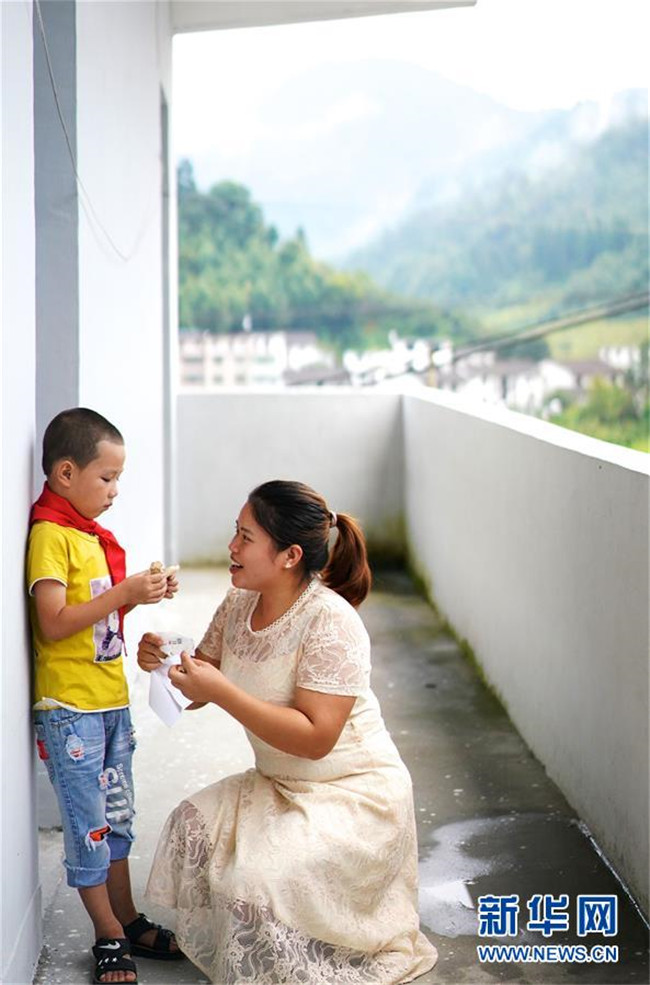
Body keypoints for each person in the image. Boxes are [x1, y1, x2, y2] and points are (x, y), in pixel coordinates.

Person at [137, 479, 438, 984]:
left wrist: (222, 691)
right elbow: (199, 682)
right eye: (235, 532)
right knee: (188, 826)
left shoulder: (331, 622)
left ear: (290, 556)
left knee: (254, 882)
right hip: (277, 783)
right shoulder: (239, 604)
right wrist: (161, 662)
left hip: (352, 794)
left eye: (246, 537)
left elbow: (316, 740)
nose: (231, 547)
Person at [27, 408, 184, 985]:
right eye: (107, 477)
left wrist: (140, 594)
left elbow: (96, 620)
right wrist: (122, 592)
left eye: (119, 479)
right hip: (71, 710)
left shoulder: (90, 537)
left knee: (118, 818)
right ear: (66, 473)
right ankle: (107, 933)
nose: (115, 490)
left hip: (109, 700)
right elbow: (53, 622)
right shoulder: (50, 535)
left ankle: (127, 916)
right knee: (89, 825)